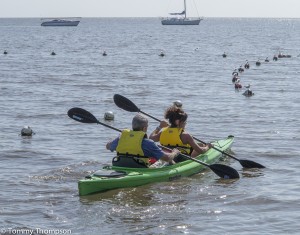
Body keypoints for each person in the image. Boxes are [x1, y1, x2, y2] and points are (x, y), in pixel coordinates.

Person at [106, 114, 180, 168]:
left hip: (120, 165)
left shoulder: (121, 138)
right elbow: (167, 158)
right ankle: (177, 172)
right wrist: (174, 153)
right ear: (145, 128)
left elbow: (108, 146)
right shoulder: (148, 143)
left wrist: (120, 137)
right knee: (164, 160)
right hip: (139, 167)